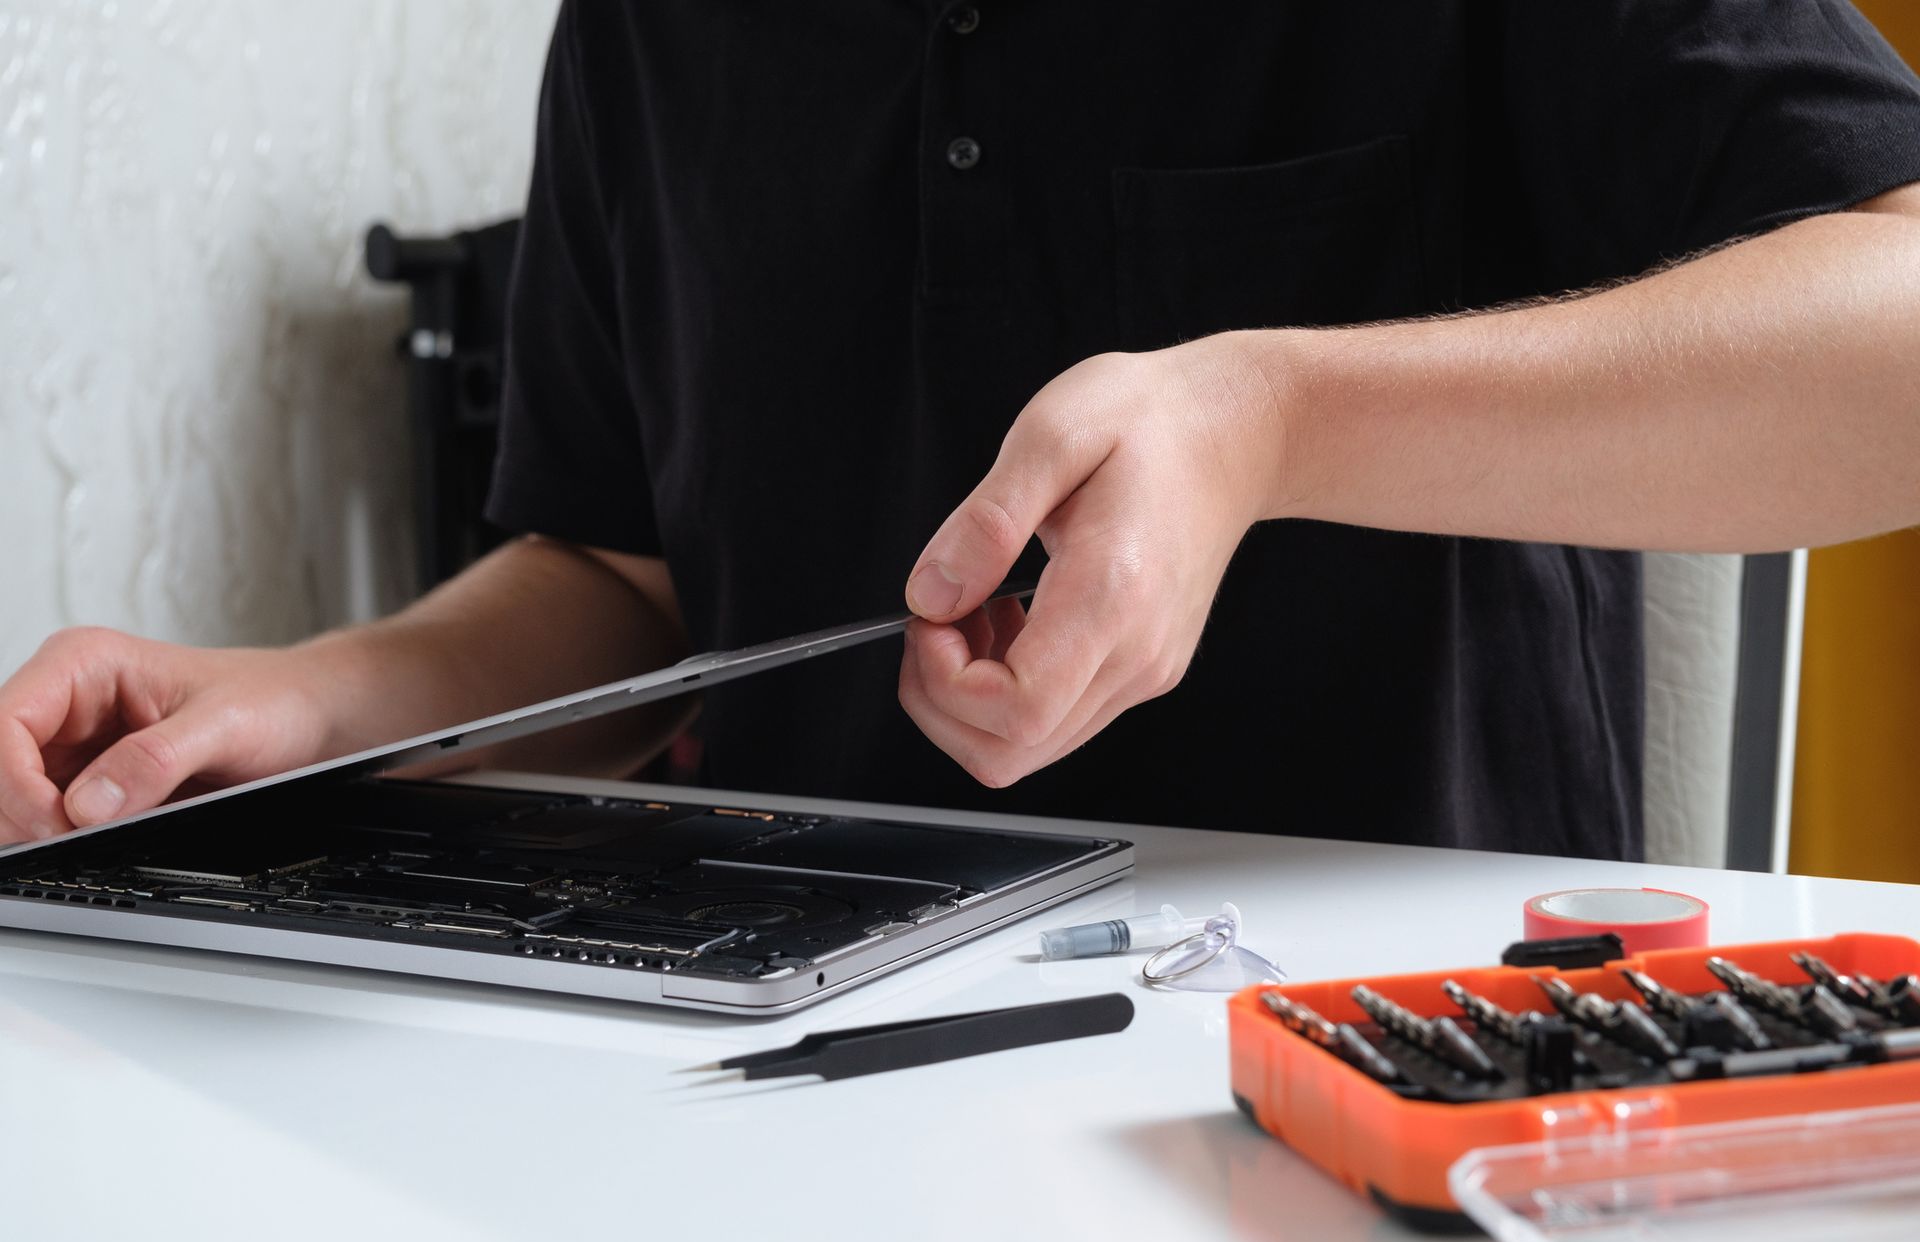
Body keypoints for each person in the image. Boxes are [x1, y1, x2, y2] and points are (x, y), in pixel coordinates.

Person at [4, 2, 1920, 861]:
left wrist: (1271, 417)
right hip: (766, 1079)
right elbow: (618, 570)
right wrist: (304, 709)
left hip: (1381, 1086)